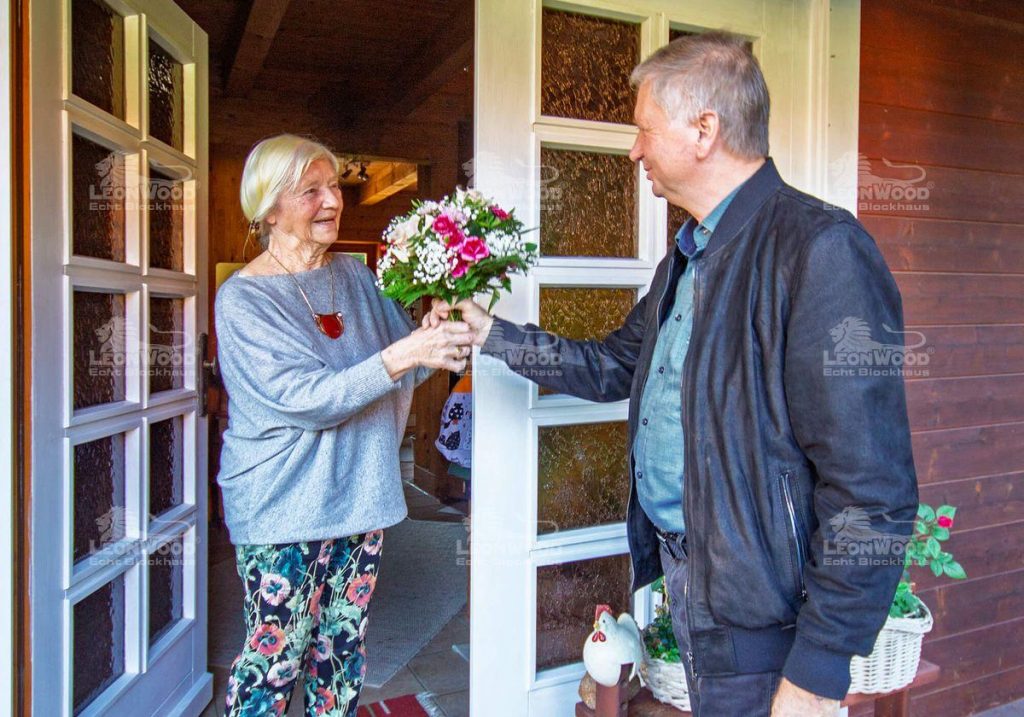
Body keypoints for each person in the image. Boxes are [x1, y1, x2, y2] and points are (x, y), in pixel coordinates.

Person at [431, 33, 918, 717]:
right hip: (692, 579)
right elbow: (611, 367)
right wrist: (491, 333)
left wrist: (816, 670)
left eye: (642, 129)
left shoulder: (819, 249)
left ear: (703, 130)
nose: (633, 150)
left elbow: (873, 488)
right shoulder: (686, 258)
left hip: (766, 611)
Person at [215, 134, 475, 716]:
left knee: (343, 650)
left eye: (334, 186)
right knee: (274, 657)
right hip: (282, 505)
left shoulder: (356, 278)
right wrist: (405, 353)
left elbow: (400, 364)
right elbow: (308, 398)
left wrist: (429, 334)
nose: (333, 200)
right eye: (312, 190)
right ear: (269, 207)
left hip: (359, 497)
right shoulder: (243, 301)